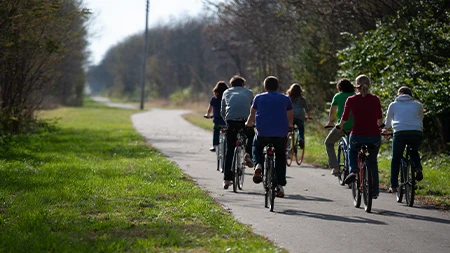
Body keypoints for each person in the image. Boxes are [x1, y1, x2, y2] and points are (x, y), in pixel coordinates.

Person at [245, 76, 293, 198]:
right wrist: (290, 126)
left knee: (256, 146)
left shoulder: (259, 97)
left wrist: (248, 124)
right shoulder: (286, 99)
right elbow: (290, 116)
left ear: (265, 87)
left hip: (263, 133)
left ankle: (258, 165)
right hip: (280, 134)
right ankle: (280, 185)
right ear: (278, 87)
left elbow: (252, 114)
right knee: (281, 155)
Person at [336, 75, 383, 198]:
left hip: (357, 135)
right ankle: (374, 192)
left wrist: (339, 126)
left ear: (356, 86)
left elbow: (345, 117)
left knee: (352, 150)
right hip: (374, 136)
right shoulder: (375, 99)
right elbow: (379, 119)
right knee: (373, 162)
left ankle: (353, 171)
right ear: (369, 85)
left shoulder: (351, 100)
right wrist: (381, 127)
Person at [382, 86, 424, 193]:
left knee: (396, 158)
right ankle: (418, 168)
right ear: (410, 95)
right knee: (413, 151)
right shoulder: (418, 105)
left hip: (400, 133)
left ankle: (394, 185)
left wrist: (385, 130)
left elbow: (387, 123)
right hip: (416, 132)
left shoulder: (393, 105)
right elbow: (420, 118)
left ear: (399, 94)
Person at [221, 75, 255, 189]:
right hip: (245, 121)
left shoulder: (226, 92)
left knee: (229, 150)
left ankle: (227, 179)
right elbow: (253, 108)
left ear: (231, 85)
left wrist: (227, 121)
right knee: (251, 135)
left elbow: (222, 110)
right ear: (243, 85)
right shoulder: (249, 92)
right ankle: (248, 154)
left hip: (231, 121)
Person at [324, 78, 356, 176]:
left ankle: (335, 168)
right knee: (353, 147)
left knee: (328, 143)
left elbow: (332, 110)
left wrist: (331, 121)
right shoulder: (356, 96)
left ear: (339, 87)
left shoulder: (338, 96)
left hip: (342, 126)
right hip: (356, 127)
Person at [205, 81, 228, 152]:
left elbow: (209, 110)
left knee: (216, 130)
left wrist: (208, 115)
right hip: (226, 121)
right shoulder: (227, 99)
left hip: (218, 121)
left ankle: (214, 146)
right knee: (228, 133)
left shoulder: (214, 99)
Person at [286, 83, 310, 149]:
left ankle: (286, 143)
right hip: (300, 116)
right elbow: (307, 109)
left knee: (288, 130)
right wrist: (308, 116)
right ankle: (300, 139)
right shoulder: (303, 100)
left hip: (290, 116)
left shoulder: (288, 98)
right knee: (301, 129)